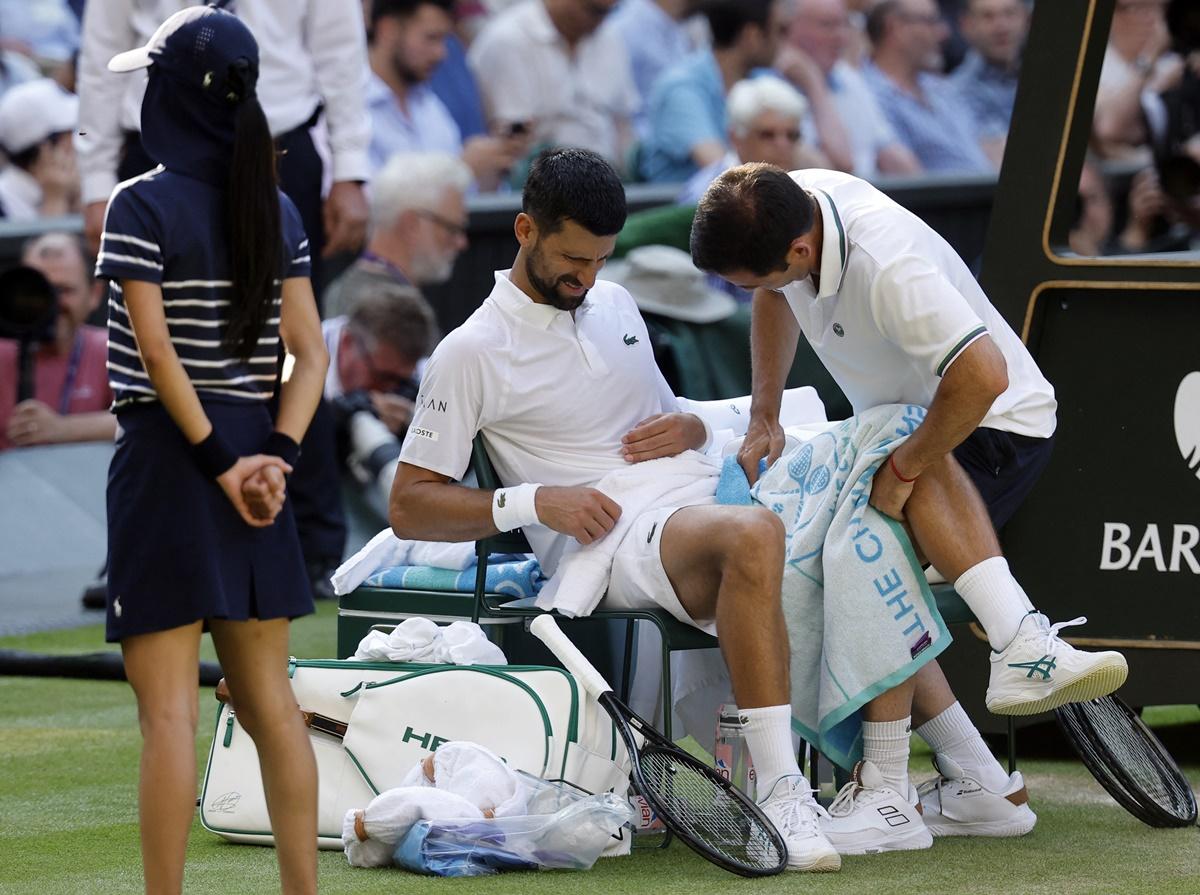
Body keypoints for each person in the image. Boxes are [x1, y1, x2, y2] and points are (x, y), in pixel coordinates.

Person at [689, 163, 1128, 722]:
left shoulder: (887, 264)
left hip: (993, 425)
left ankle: (897, 784)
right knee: (845, 571)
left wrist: (904, 469)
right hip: (908, 420)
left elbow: (983, 377)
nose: (753, 292)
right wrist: (764, 416)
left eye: (752, 279)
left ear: (799, 252)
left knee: (863, 572)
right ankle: (986, 756)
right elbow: (775, 296)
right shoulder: (785, 207)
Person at [97, 9, 327, 893]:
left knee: (167, 717)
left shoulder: (140, 201)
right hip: (255, 457)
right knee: (272, 705)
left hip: (169, 458)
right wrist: (273, 454)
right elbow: (313, 354)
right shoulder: (273, 205)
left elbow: (156, 356)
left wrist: (219, 463)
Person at [76, 0, 372, 292]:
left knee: (284, 317)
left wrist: (349, 166)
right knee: (157, 317)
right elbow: (102, 52)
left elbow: (341, 47)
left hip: (276, 145)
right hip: (157, 142)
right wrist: (97, 181)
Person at [366, 0, 525, 190]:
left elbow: (466, 197)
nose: (440, 54)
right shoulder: (351, 108)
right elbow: (370, 203)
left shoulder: (429, 105)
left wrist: (492, 163)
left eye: (444, 40)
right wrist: (460, 169)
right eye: (431, 38)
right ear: (388, 30)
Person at [467, 0, 638, 167]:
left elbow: (623, 122)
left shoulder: (609, 36)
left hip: (607, 176)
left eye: (610, 11)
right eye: (593, 9)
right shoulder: (507, 40)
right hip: (540, 180)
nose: (602, 18)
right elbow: (511, 139)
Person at [639, 0, 787, 183]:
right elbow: (726, 174)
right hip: (687, 209)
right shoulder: (681, 87)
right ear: (752, 36)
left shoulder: (763, 78)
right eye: (780, 31)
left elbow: (801, 151)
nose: (785, 42)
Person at [322, 151, 472, 318]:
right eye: (452, 229)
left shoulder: (345, 292)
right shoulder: (393, 314)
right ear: (411, 225)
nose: (461, 242)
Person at [0, 233, 115, 451]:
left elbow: (148, 422)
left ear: (94, 294)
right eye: (37, 291)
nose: (51, 303)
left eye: (63, 290)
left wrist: (62, 429)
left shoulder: (111, 350)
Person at [783, 0, 920, 179]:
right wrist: (814, 84)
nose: (842, 38)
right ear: (789, 29)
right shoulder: (772, 90)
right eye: (827, 25)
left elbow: (890, 152)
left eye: (844, 25)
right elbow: (843, 165)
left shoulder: (848, 77)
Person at [861, 0, 993, 173]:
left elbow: (984, 147)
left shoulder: (941, 88)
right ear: (895, 28)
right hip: (940, 198)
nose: (943, 32)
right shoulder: (867, 94)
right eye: (930, 21)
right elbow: (904, 174)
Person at [948, 0, 1029, 166]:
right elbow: (1000, 157)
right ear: (966, 26)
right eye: (988, 17)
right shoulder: (954, 93)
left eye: (1010, 14)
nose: (1001, 27)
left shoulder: (1044, 77)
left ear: (1027, 20)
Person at [0, 77, 79, 220]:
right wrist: (55, 202)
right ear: (44, 150)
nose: (76, 142)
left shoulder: (75, 186)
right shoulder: (4, 203)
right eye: (69, 133)